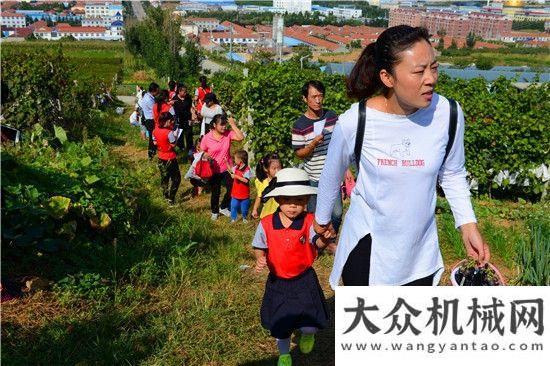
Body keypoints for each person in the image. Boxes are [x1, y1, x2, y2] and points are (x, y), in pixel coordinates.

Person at [313, 25, 490, 287]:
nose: (430, 78)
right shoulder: (357, 121)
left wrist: (467, 224)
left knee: (408, 323)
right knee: (368, 324)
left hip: (419, 251)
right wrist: (321, 221)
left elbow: (452, 174)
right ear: (387, 77)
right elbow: (332, 173)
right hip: (368, 244)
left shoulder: (448, 114)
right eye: (419, 71)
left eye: (434, 67)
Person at [252, 168, 332, 366]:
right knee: (281, 324)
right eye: (287, 200)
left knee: (309, 321)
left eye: (299, 201)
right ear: (278, 200)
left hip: (304, 279)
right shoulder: (267, 223)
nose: (293, 206)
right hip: (278, 282)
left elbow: (318, 245)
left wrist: (323, 238)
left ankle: (308, 335)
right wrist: (260, 258)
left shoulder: (309, 222)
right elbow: (259, 246)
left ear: (306, 201)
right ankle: (284, 354)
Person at [292, 80, 343, 232]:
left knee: (337, 212)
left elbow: (341, 144)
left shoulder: (332, 117)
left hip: (333, 174)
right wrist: (313, 144)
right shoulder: (299, 125)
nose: (318, 100)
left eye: (320, 96)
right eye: (314, 97)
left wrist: (345, 168)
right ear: (304, 98)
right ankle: (316, 243)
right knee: (315, 214)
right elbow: (299, 153)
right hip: (313, 177)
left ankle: (330, 239)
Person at [200, 113, 245, 220]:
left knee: (232, 188)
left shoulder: (228, 134)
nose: (224, 127)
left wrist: (233, 124)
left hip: (227, 168)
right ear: (214, 125)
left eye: (225, 124)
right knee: (216, 191)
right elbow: (201, 151)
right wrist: (206, 156)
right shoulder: (207, 138)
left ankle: (223, 207)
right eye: (221, 124)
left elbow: (241, 137)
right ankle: (214, 211)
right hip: (213, 169)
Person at [153, 112, 181, 205]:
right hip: (170, 157)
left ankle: (165, 195)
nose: (172, 122)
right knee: (176, 178)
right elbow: (173, 144)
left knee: (164, 177)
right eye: (171, 121)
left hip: (161, 156)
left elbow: (155, 143)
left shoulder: (155, 130)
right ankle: (171, 198)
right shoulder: (169, 133)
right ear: (168, 121)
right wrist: (176, 136)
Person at [251, 153, 282, 219]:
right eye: (274, 168)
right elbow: (259, 197)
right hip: (267, 215)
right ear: (265, 169)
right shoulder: (263, 183)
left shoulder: (282, 180)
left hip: (281, 213)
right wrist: (255, 209)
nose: (277, 171)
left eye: (279, 168)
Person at [225, 150, 251, 223]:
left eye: (235, 158)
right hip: (235, 193)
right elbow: (231, 170)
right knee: (233, 206)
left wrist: (236, 176)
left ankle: (244, 218)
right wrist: (226, 163)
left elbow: (246, 180)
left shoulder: (247, 169)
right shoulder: (236, 167)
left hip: (244, 194)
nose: (234, 160)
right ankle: (233, 218)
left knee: (244, 208)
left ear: (241, 160)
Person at [172, 84, 194, 156]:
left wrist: (192, 116)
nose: (185, 93)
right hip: (178, 120)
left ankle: (190, 148)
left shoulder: (188, 98)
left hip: (187, 119)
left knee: (189, 133)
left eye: (186, 92)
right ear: (179, 91)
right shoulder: (175, 99)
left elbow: (190, 107)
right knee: (179, 134)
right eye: (184, 92)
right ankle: (181, 148)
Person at [139, 82, 159, 159]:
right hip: (151, 121)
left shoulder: (147, 96)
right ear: (154, 90)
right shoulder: (149, 100)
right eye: (158, 90)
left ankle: (152, 152)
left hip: (149, 120)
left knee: (152, 137)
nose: (158, 92)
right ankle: (151, 154)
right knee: (152, 138)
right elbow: (155, 110)